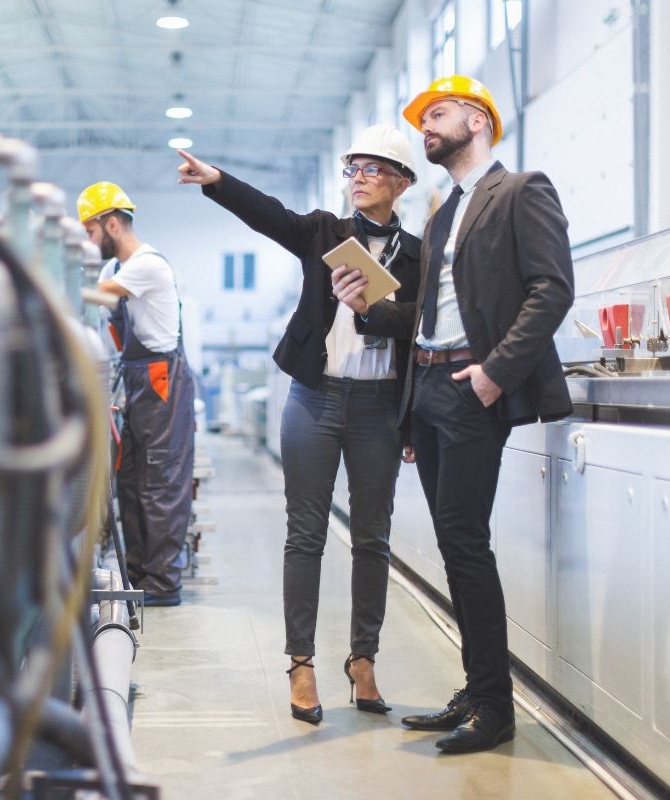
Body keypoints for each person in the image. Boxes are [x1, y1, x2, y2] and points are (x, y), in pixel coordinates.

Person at [332, 76, 574, 753]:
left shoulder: (522, 190)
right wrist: (366, 308)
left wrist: (496, 373)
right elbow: (424, 319)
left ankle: (495, 711)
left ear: (477, 118)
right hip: (431, 390)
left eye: (436, 116)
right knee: (454, 546)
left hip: (474, 387)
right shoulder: (442, 212)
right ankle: (476, 692)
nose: (426, 129)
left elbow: (552, 289)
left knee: (466, 543)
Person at [176, 126, 421, 725]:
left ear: (401, 182)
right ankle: (302, 663)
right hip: (314, 399)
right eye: (353, 168)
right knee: (304, 533)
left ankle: (363, 660)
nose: (358, 177)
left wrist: (376, 320)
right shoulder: (324, 233)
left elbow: (421, 327)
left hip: (379, 407)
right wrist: (218, 183)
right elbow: (269, 215)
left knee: (373, 538)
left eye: (372, 168)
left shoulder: (419, 255)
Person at [76, 181, 195, 607]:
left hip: (163, 379)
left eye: (90, 233)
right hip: (136, 377)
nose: (90, 244)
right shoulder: (113, 270)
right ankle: (140, 573)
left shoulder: (146, 265)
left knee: (160, 480)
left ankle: (163, 581)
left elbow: (91, 296)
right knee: (132, 478)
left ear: (112, 223)